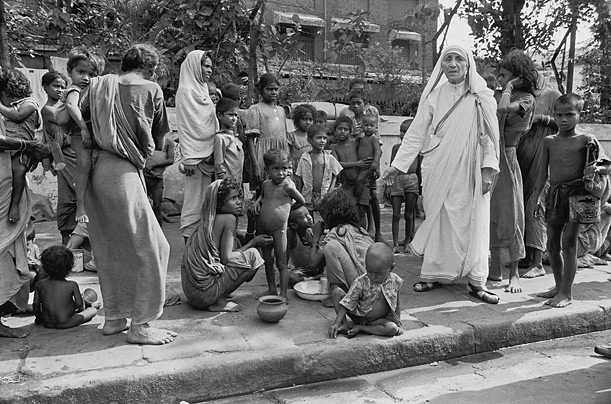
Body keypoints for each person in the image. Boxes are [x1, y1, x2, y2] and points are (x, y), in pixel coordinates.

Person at [380, 44, 500, 303]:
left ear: (468, 64)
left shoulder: (482, 96)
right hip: (437, 167)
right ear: (441, 65)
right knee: (436, 217)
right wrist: (398, 165)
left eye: (459, 58)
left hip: (471, 169)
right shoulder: (434, 96)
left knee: (474, 220)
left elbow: (488, 137)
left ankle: (477, 280)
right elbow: (416, 133)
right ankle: (432, 273)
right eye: (448, 59)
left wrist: (488, 170)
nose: (453, 64)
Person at [82, 43, 176, 344]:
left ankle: (114, 317)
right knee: (154, 247)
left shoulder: (98, 87)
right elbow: (159, 141)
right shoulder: (150, 88)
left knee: (111, 247)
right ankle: (141, 324)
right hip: (123, 174)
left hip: (96, 173)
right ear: (150, 67)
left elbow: (75, 127)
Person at [532, 93, 611, 308]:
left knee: (569, 242)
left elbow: (606, 165)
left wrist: (595, 168)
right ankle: (558, 287)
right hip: (556, 194)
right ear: (553, 116)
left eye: (569, 114)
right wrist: (536, 198)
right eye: (559, 115)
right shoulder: (549, 141)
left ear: (579, 114)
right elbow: (542, 173)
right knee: (551, 243)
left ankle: (567, 293)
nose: (563, 119)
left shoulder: (587, 140)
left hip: (580, 194)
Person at [182, 178, 273, 312]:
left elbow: (237, 242)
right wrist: (254, 243)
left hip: (192, 295)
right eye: (232, 198)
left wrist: (251, 223)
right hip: (204, 295)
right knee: (253, 255)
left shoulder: (210, 219)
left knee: (238, 240)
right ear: (219, 203)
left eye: (238, 197)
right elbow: (227, 258)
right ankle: (217, 300)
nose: (238, 202)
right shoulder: (228, 219)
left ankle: (218, 293)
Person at [489, 50, 536, 293]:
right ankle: (494, 269)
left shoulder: (525, 98)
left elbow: (505, 108)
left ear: (516, 76)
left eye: (504, 74)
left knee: (512, 215)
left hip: (508, 158)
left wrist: (508, 87)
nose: (499, 78)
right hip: (493, 158)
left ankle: (514, 275)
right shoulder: (500, 94)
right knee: (491, 215)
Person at [0, 103, 49, 338]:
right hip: (5, 193)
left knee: (11, 257)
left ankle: (10, 310)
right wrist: (29, 146)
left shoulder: (23, 109)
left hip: (7, 187)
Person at [517, 75, 561, 278]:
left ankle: (537, 263)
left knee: (535, 207)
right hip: (523, 158)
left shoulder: (553, 95)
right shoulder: (522, 95)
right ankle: (526, 255)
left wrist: (542, 119)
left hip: (543, 160)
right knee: (522, 206)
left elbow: (565, 122)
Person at [56, 47, 104, 224]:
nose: (85, 78)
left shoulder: (91, 90)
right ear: (69, 72)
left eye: (91, 74)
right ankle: (81, 206)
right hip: (79, 134)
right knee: (84, 163)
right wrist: (83, 128)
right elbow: (71, 107)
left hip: (90, 134)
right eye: (81, 72)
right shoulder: (74, 90)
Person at [176, 50, 218, 240]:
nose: (209, 70)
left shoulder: (203, 89)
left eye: (210, 66)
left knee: (209, 204)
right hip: (194, 159)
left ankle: (202, 250)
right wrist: (189, 157)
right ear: (194, 66)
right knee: (194, 204)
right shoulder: (186, 91)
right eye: (205, 66)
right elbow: (186, 126)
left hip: (211, 155)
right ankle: (189, 249)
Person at [253, 149, 306, 299]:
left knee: (282, 263)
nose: (281, 173)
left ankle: (283, 294)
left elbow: (301, 201)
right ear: (267, 170)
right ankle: (271, 289)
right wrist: (258, 202)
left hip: (279, 231)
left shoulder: (288, 186)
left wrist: (287, 210)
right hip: (264, 229)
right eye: (275, 169)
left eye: (285, 168)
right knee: (268, 260)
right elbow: (263, 197)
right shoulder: (265, 184)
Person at [328, 242, 403, 339]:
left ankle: (362, 328)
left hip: (377, 321)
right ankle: (344, 324)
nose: (372, 276)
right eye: (369, 271)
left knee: (392, 329)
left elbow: (398, 304)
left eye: (378, 274)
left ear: (391, 268)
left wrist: (398, 324)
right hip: (358, 316)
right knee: (336, 292)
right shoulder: (361, 281)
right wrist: (336, 322)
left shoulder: (396, 281)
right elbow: (348, 302)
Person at [0, 68, 42, 223]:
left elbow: (17, 117)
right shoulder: (12, 106)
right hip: (11, 148)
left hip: (22, 148)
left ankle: (15, 205)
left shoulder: (29, 103)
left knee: (18, 172)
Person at [317, 188, 375, 293]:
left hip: (363, 284)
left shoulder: (336, 232)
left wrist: (315, 239)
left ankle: (342, 294)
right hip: (373, 281)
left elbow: (313, 264)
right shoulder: (358, 229)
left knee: (331, 247)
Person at [33, 245, 100, 329]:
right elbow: (80, 305)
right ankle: (93, 307)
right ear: (70, 266)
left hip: (47, 323)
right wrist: (86, 307)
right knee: (92, 311)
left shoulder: (40, 284)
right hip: (67, 322)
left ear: (44, 267)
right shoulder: (72, 284)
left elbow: (36, 305)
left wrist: (39, 319)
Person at [245, 73, 288, 193]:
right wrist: (255, 165)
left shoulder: (281, 110)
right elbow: (250, 139)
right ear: (260, 90)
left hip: (281, 154)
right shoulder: (256, 109)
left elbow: (284, 137)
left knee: (281, 190)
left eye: (276, 89)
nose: (273, 92)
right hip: (264, 155)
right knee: (264, 190)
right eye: (269, 89)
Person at [386, 119, 420, 254]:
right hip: (397, 179)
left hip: (412, 179)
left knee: (409, 214)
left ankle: (407, 242)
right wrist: (388, 185)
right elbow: (391, 165)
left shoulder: (417, 149)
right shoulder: (396, 148)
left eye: (406, 131)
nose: (402, 134)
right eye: (401, 131)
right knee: (395, 213)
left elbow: (419, 169)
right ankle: (395, 243)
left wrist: (421, 186)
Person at [329, 116, 373, 220]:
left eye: (346, 129)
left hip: (362, 182)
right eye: (340, 129)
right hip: (347, 185)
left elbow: (368, 154)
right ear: (335, 130)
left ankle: (362, 234)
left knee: (361, 211)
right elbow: (336, 164)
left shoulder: (356, 143)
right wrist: (356, 164)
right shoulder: (334, 147)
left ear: (350, 131)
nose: (342, 132)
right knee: (349, 211)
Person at [294, 124, 343, 214]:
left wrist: (330, 191)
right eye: (318, 138)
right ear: (309, 140)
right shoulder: (304, 158)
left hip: (325, 194)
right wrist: (299, 195)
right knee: (309, 216)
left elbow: (335, 175)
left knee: (326, 216)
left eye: (324, 138)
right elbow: (299, 177)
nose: (322, 141)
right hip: (308, 194)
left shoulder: (329, 157)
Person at [354, 114, 383, 242]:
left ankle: (359, 198)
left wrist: (376, 164)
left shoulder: (374, 138)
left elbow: (377, 151)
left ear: (376, 127)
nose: (368, 128)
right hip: (362, 166)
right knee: (367, 191)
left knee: (364, 187)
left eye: (371, 125)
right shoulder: (361, 138)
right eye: (366, 125)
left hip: (369, 167)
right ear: (362, 126)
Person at [286, 206, 325, 286]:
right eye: (304, 217)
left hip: (318, 267)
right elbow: (285, 257)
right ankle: (313, 279)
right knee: (292, 277)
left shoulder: (312, 230)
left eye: (308, 214)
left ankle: (313, 278)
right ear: (294, 225)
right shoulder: (291, 234)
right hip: (302, 270)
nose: (310, 217)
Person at [144, 136, 175, 226]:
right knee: (144, 207)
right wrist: (149, 169)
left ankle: (159, 234)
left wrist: (153, 165)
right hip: (144, 177)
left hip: (157, 179)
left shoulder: (168, 142)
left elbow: (171, 160)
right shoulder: (144, 138)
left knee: (157, 206)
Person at [41, 71, 68, 172]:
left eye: (62, 87)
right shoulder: (47, 110)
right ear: (45, 87)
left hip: (72, 151)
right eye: (56, 86)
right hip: (64, 154)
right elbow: (66, 121)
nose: (60, 90)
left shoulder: (64, 106)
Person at [213, 97, 243, 184]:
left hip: (237, 181)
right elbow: (218, 165)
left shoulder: (234, 136)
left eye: (236, 115)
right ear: (220, 116)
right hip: (227, 184)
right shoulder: (220, 138)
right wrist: (225, 183)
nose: (234, 118)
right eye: (230, 115)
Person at [287, 103, 316, 171]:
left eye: (310, 120)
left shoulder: (314, 136)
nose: (308, 122)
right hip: (296, 169)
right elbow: (287, 155)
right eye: (304, 119)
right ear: (297, 120)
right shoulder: (291, 136)